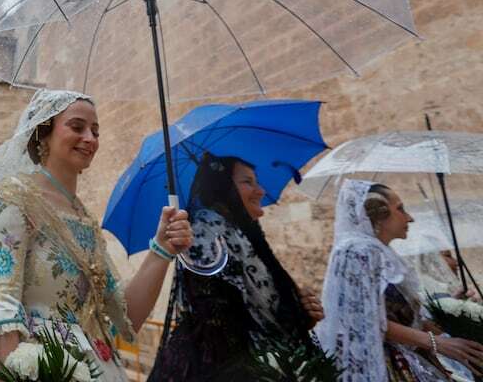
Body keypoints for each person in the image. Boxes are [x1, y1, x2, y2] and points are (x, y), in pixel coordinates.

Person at [0, 90, 193, 382]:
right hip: (28, 363)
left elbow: (127, 313)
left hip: (90, 365)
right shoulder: (14, 196)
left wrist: (161, 250)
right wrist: (16, 372)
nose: (91, 138)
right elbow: (1, 303)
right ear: (43, 133)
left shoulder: (84, 219)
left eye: (95, 131)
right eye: (77, 126)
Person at [148, 153, 324, 380]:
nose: (260, 191)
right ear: (223, 188)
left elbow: (259, 309)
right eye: (247, 182)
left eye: (256, 181)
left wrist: (300, 315)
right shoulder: (206, 234)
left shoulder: (239, 234)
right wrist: (293, 317)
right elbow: (224, 326)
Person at [316, 180, 483, 381]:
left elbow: (406, 316)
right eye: (401, 209)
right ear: (379, 213)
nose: (410, 218)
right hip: (385, 362)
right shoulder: (360, 251)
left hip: (409, 355)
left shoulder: (380, 253)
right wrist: (436, 342)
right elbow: (369, 319)